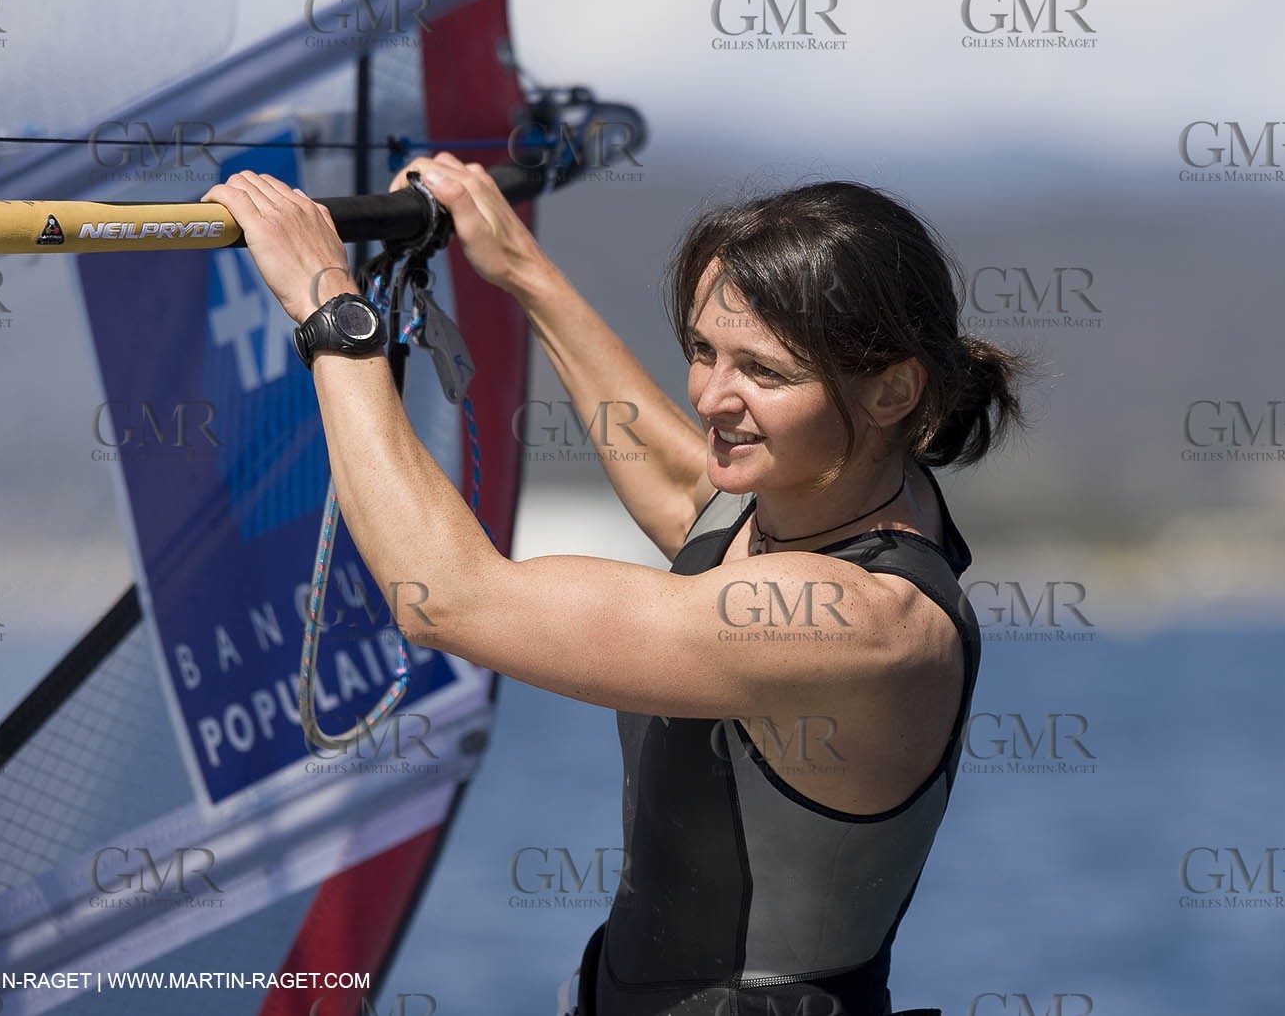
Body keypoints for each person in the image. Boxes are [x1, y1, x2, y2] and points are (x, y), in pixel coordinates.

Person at [203, 156, 1027, 1016]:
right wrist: (519, 267)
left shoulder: (863, 624)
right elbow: (684, 494)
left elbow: (444, 597)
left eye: (765, 372)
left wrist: (332, 310)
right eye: (705, 351)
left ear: (895, 387)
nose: (713, 395)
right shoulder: (816, 493)